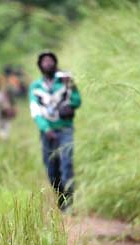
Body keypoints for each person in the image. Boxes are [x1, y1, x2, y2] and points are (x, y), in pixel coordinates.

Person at [28, 51, 81, 210]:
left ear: (55, 63)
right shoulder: (36, 87)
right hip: (47, 133)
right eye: (44, 61)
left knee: (67, 164)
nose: (48, 64)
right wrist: (45, 128)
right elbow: (35, 110)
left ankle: (69, 204)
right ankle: (60, 197)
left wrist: (70, 100)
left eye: (51, 61)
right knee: (51, 168)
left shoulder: (66, 82)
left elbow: (77, 100)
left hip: (65, 129)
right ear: (40, 66)